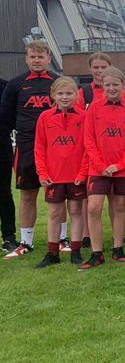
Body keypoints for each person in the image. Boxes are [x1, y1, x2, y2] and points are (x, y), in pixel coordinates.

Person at [0, 41, 58, 259]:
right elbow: (6, 118)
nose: (36, 60)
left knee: (58, 194)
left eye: (41, 57)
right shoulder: (15, 85)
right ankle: (26, 241)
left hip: (56, 148)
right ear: (26, 59)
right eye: (32, 56)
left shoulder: (58, 82)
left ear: (49, 59)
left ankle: (61, 239)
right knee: (27, 194)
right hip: (26, 147)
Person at [81, 67, 125, 269]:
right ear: (102, 86)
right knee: (93, 207)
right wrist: (101, 165)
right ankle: (96, 253)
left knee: (119, 206)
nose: (111, 88)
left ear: (123, 85)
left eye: (115, 84)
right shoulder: (94, 108)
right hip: (98, 169)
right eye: (107, 85)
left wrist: (119, 165)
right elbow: (88, 140)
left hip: (122, 169)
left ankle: (118, 248)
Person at [33, 77, 87, 268]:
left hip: (76, 176)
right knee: (55, 213)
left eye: (69, 93)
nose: (65, 97)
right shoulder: (44, 117)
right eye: (60, 93)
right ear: (53, 95)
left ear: (76, 95)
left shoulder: (84, 116)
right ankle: (52, 253)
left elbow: (88, 148)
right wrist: (42, 173)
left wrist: (82, 173)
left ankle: (76, 251)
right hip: (53, 176)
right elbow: (39, 147)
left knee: (76, 212)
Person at [0, 75, 14, 252]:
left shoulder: (6, 87)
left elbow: (11, 117)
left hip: (1, 147)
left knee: (3, 193)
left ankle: (8, 237)